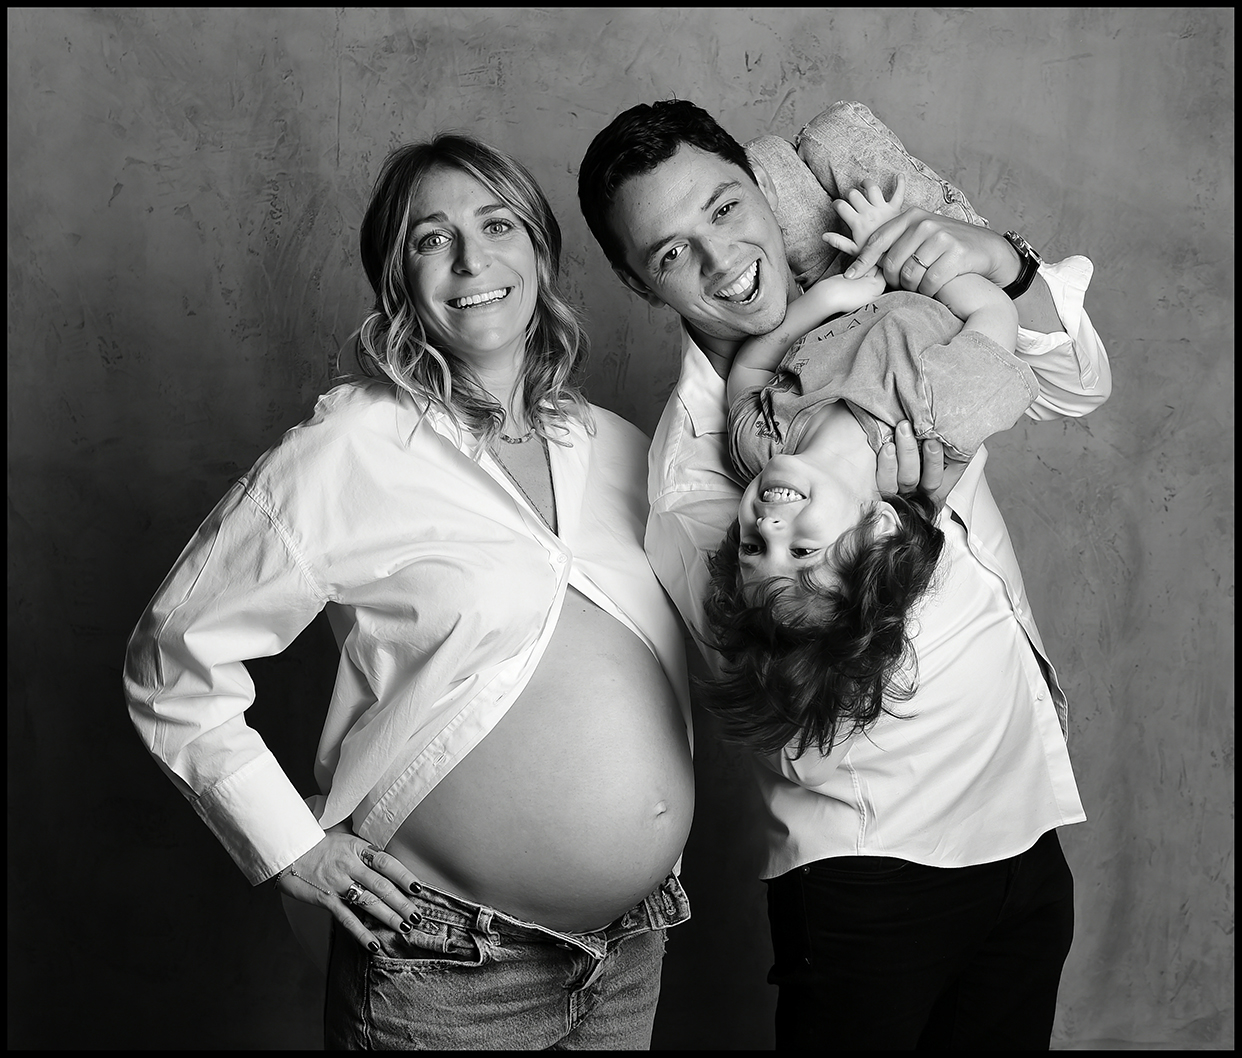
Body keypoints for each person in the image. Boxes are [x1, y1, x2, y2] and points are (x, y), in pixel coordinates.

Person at [123, 133, 696, 1050]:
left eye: (498, 225)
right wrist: (289, 843)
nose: (472, 259)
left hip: (630, 954)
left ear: (539, 253)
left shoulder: (620, 446)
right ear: (399, 277)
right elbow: (172, 657)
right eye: (433, 239)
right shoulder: (352, 445)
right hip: (446, 970)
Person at [577, 98, 1110, 1049]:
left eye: (725, 207)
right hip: (877, 874)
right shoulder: (698, 474)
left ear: (759, 184)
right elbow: (804, 693)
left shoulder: (858, 316)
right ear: (638, 282)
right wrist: (911, 517)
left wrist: (999, 260)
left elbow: (1075, 386)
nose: (722, 261)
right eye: (672, 254)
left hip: (1026, 827)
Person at [707, 172, 1037, 759]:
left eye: (753, 549)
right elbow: (993, 311)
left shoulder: (762, 445)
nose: (769, 527)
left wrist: (826, 300)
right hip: (927, 262)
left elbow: (748, 372)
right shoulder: (939, 415)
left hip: (836, 278)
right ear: (879, 527)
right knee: (836, 142)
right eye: (801, 552)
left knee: (759, 170)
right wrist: (899, 249)